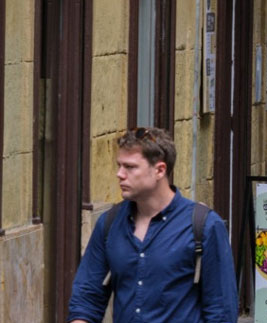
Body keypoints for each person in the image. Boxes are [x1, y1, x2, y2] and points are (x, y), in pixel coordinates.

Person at [68, 127, 238, 323]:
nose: (119, 174)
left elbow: (221, 310)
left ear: (159, 170)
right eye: (119, 165)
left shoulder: (204, 226)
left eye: (130, 167)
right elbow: (87, 297)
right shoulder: (109, 223)